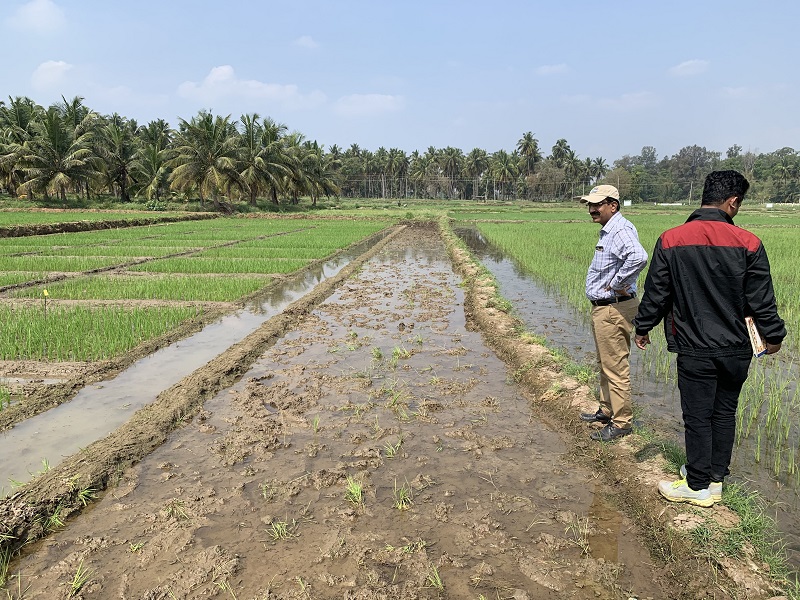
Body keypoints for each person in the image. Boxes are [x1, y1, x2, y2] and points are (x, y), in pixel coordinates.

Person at [633, 170, 786, 507]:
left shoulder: (671, 239)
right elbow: (762, 300)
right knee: (724, 412)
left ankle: (697, 484)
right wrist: (773, 336)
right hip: (736, 348)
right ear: (732, 201)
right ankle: (715, 479)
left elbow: (657, 292)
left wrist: (643, 326)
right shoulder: (749, 243)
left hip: (695, 346)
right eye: (739, 204)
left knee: (698, 415)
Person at [578, 184, 648, 441]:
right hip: (607, 308)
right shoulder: (609, 231)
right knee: (606, 362)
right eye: (590, 204)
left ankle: (621, 423)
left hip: (613, 307)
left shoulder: (619, 229)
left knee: (615, 366)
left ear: (613, 205)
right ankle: (607, 410)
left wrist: (617, 283)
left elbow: (639, 257)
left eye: (597, 204)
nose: (591, 209)